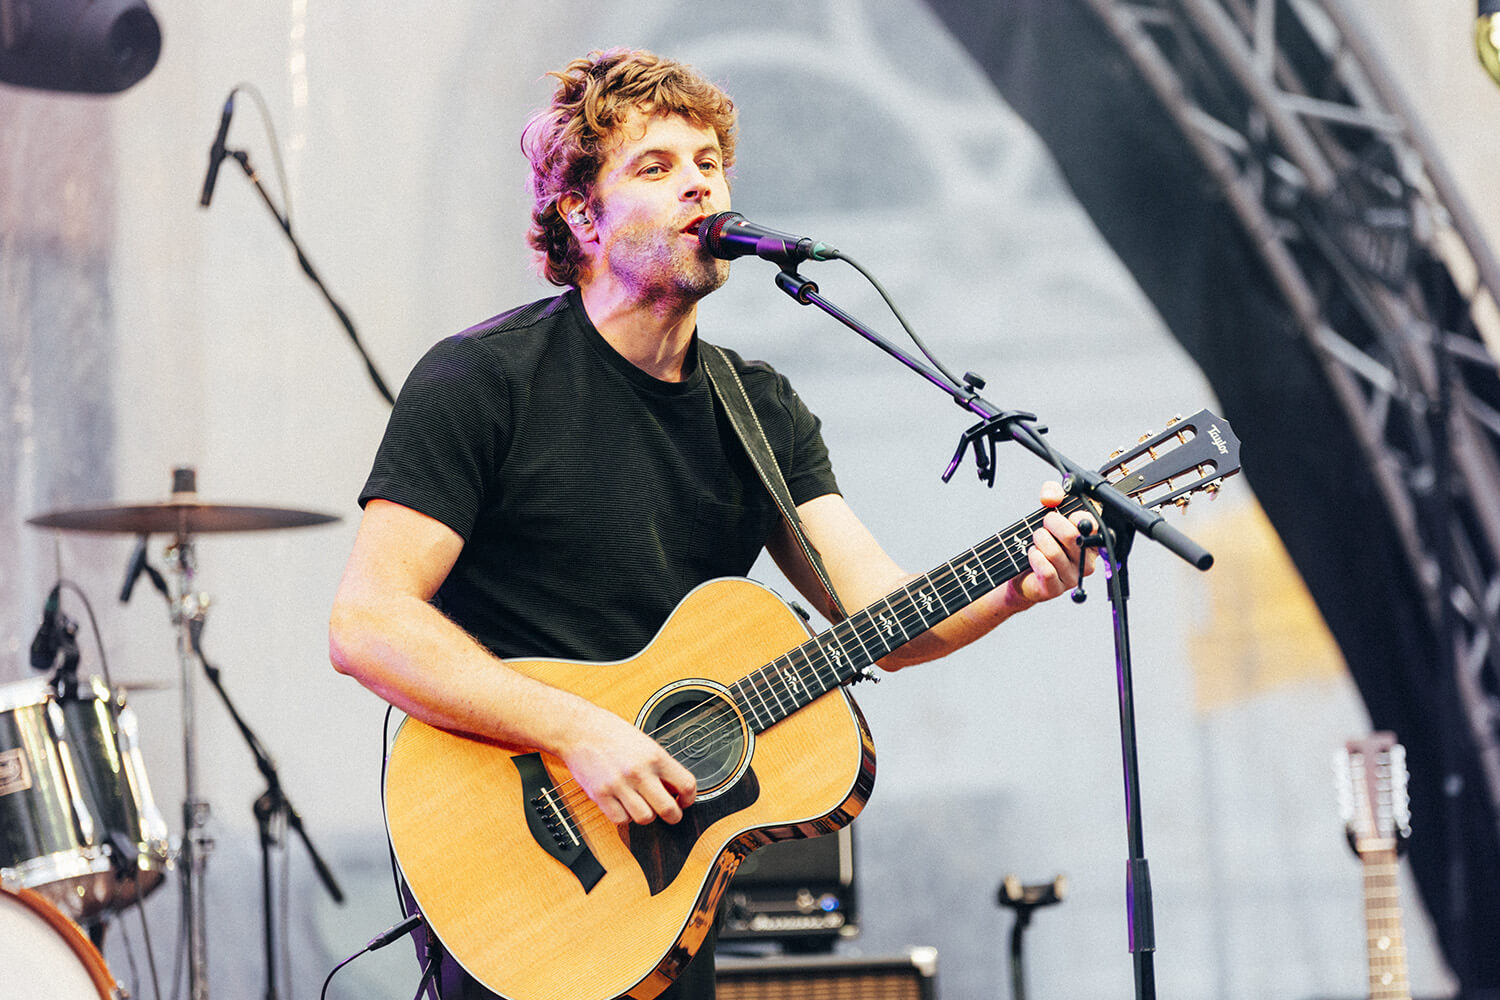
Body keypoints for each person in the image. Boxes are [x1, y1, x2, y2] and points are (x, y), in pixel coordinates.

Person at [328, 47, 1094, 1000]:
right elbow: (366, 626)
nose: (699, 185)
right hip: (514, 853)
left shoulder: (757, 409)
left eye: (709, 163)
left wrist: (1020, 584)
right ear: (582, 214)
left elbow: (888, 621)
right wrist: (578, 731)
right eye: (656, 167)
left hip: (659, 891)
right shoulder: (483, 382)